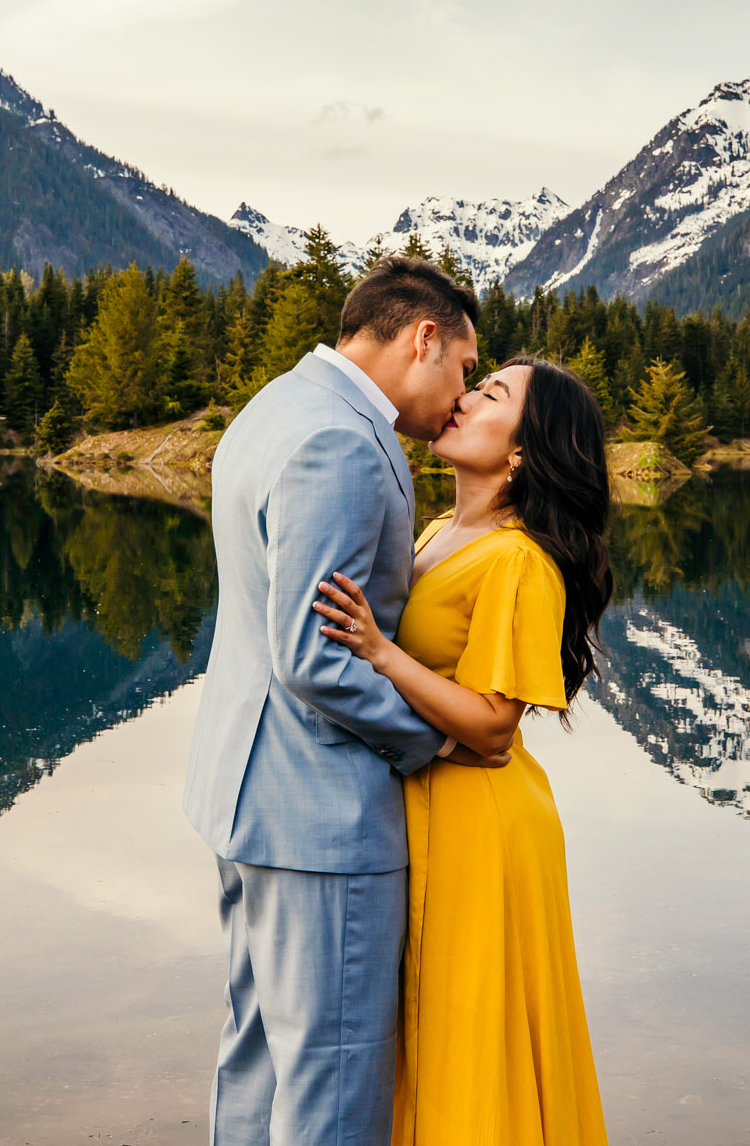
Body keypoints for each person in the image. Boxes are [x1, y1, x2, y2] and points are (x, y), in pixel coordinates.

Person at [184, 255, 499, 1146]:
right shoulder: (343, 441)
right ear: (423, 338)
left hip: (245, 800)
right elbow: (315, 659)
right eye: (466, 370)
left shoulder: (276, 405)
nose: (462, 393)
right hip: (319, 823)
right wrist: (437, 742)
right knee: (334, 1077)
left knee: (255, 1057)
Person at [311, 355, 614, 1146]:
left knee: (471, 1036)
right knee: (435, 1026)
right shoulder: (446, 529)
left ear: (521, 452)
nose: (466, 397)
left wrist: (380, 652)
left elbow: (491, 725)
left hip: (485, 826)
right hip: (438, 810)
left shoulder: (520, 559)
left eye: (493, 394)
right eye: (479, 383)